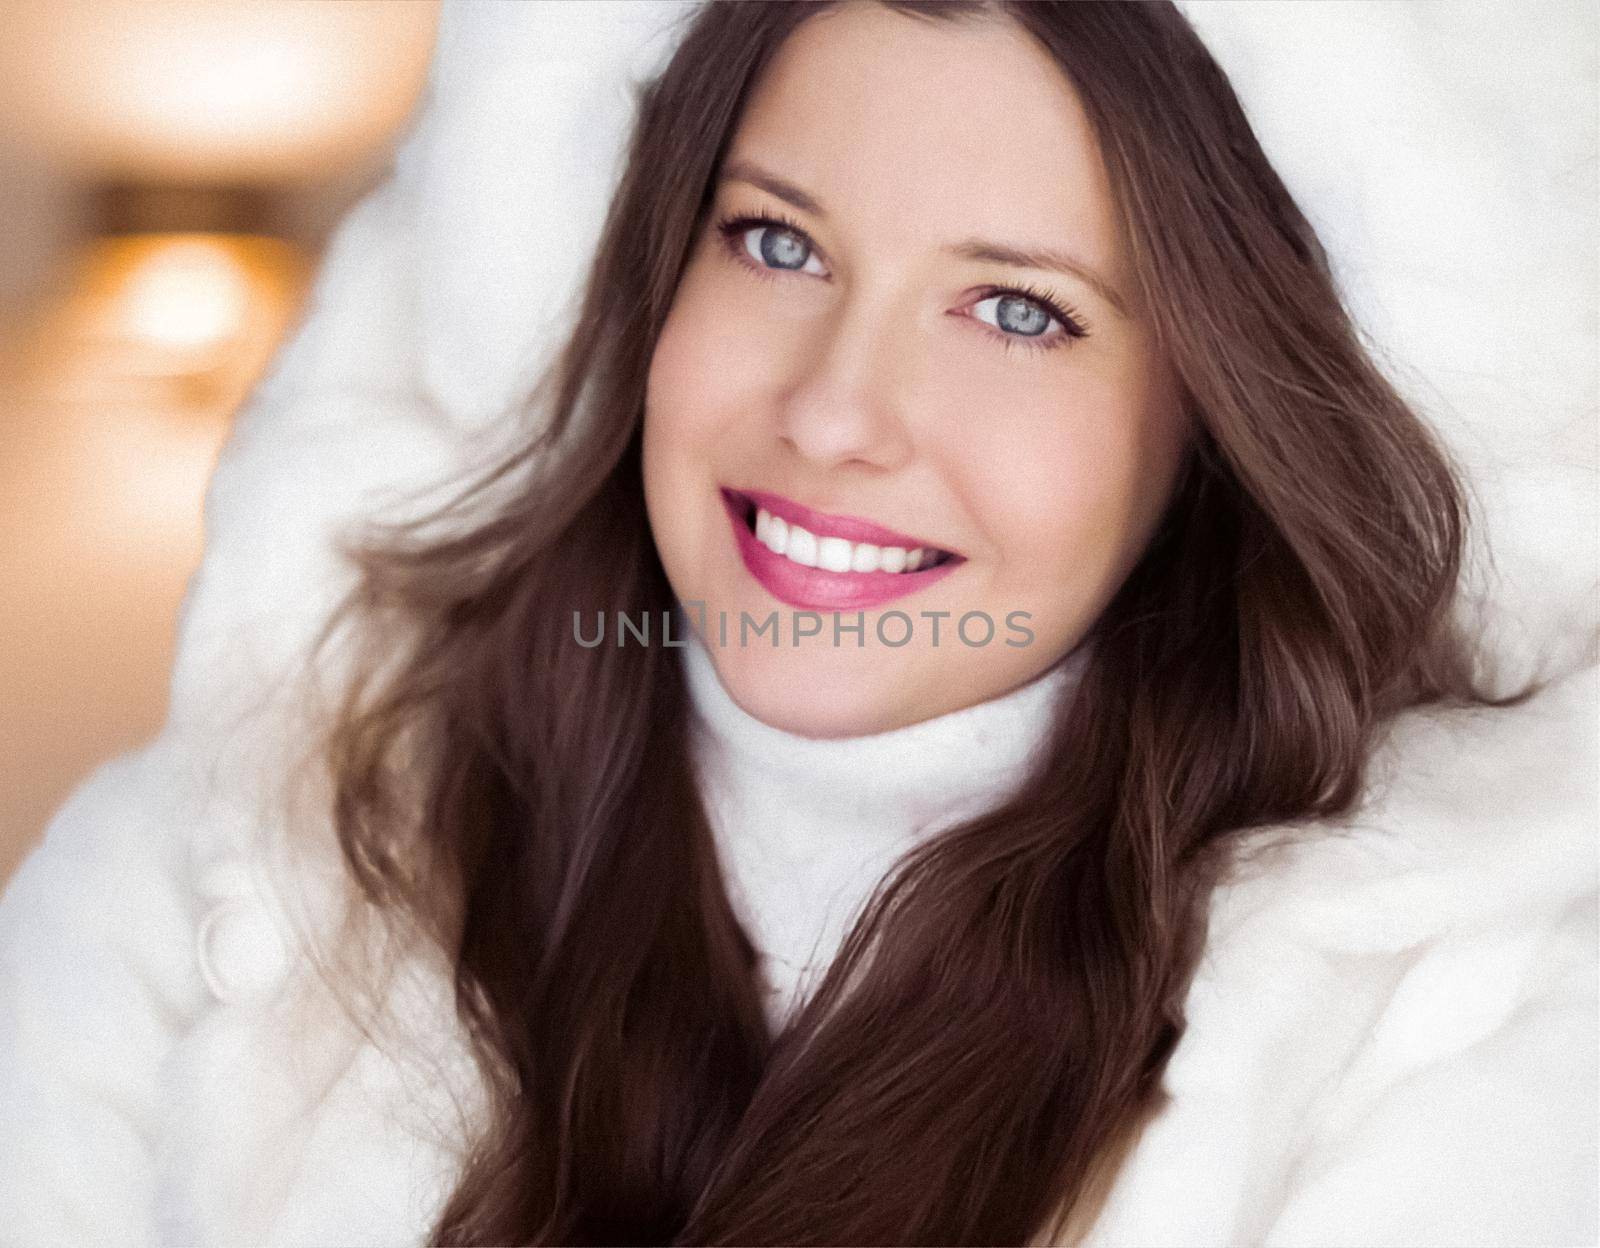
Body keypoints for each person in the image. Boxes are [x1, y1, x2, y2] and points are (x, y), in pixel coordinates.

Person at [1, 2, 1593, 1245]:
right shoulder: (201, 877)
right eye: (775, 241)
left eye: (1020, 309)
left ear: (1214, 415)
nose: (835, 413)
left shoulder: (1462, 1021)